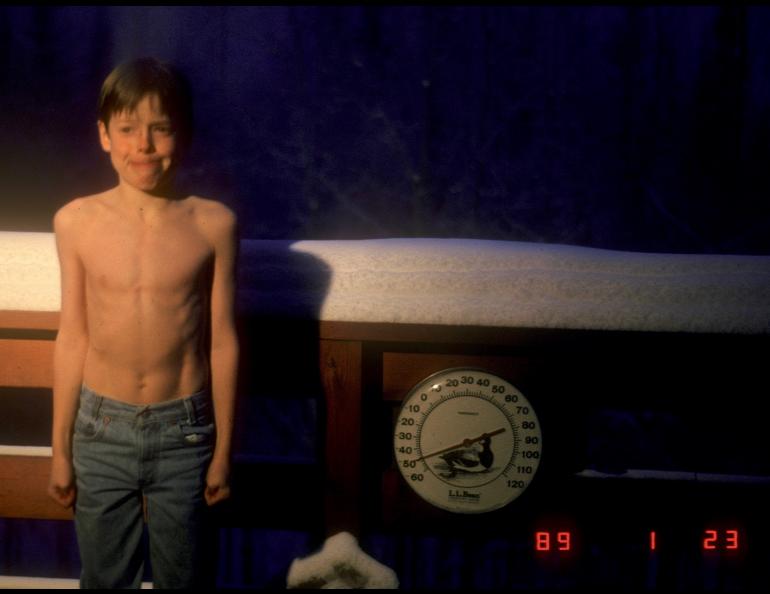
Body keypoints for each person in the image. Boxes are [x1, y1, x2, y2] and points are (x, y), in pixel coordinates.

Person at [47, 57, 239, 589]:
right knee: (106, 579)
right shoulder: (76, 221)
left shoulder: (213, 223)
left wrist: (224, 450)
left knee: (188, 577)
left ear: (183, 133)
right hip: (100, 430)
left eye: (160, 129)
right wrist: (60, 448)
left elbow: (222, 341)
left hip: (186, 430)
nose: (144, 146)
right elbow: (72, 337)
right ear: (104, 136)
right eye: (128, 130)